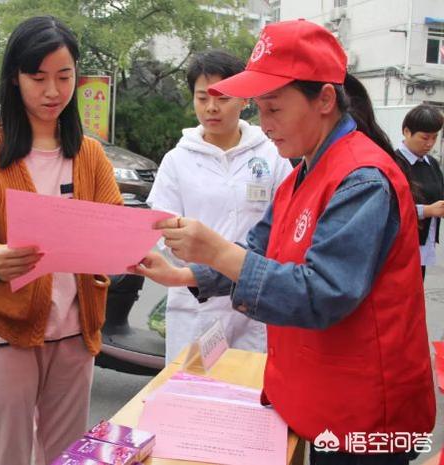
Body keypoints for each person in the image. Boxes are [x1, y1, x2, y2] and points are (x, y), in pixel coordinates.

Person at [132, 19, 435, 465]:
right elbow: (258, 250)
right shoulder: (301, 174)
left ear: (325, 100)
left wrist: (215, 249)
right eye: (259, 109)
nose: (265, 125)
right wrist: (186, 273)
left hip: (365, 415)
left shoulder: (361, 180)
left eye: (274, 108)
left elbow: (321, 292)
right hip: (321, 394)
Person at [0, 16, 121, 465]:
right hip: (7, 332)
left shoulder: (90, 154)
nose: (53, 91)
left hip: (76, 333)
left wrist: (129, 244)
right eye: (37, 78)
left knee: (65, 456)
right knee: (4, 455)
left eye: (64, 77)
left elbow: (113, 223)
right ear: (14, 79)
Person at [147, 50, 291, 363]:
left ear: (244, 99)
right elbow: (163, 226)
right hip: (195, 302)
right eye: (202, 98)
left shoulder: (271, 155)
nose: (211, 108)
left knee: (247, 395)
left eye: (223, 97)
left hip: (254, 302)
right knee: (192, 397)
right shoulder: (178, 160)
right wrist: (196, 262)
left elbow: (285, 225)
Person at [394, 104, 444, 280]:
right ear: (407, 132)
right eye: (425, 138)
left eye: (435, 137)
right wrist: (427, 210)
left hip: (424, 243)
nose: (430, 144)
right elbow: (390, 209)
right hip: (400, 246)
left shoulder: (431, 163)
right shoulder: (394, 163)